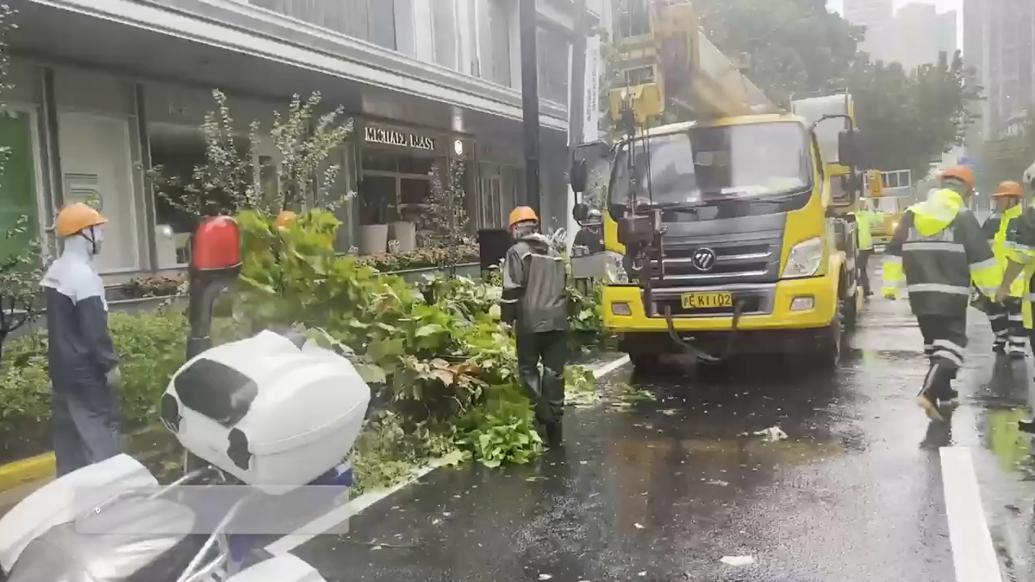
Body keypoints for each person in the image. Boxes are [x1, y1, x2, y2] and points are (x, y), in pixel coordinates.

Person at [881, 166, 999, 421]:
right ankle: (928, 392)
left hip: (920, 294)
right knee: (953, 346)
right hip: (951, 295)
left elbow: (892, 252)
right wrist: (993, 291)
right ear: (966, 191)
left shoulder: (912, 214)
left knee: (935, 346)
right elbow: (981, 260)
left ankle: (945, 394)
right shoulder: (963, 216)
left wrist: (890, 286)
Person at [42, 202, 121, 476]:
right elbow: (94, 331)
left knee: (68, 445)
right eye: (97, 230)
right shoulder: (83, 277)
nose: (101, 237)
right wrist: (110, 365)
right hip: (86, 374)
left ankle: (70, 496)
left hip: (61, 373)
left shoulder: (56, 271)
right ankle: (111, 494)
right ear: (83, 234)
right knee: (99, 434)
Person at [501, 206, 569, 446]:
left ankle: (543, 417)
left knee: (529, 369)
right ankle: (555, 429)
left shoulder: (516, 253)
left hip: (530, 322)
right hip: (558, 321)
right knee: (554, 373)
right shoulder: (555, 252)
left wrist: (506, 321)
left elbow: (511, 290)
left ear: (516, 228)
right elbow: (563, 284)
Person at [982, 181, 1026, 357]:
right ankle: (1001, 337)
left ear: (1012, 200)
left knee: (1017, 315)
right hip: (994, 279)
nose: (997, 202)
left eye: (1001, 199)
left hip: (1017, 279)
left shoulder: (1025, 220)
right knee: (994, 313)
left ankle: (1017, 347)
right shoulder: (992, 221)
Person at [853, 200, 882, 297]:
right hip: (856, 245)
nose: (861, 204)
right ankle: (864, 288)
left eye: (863, 203)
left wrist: (872, 210)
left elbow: (877, 221)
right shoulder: (852, 214)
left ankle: (862, 289)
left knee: (860, 267)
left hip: (864, 246)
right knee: (861, 268)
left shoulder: (866, 214)